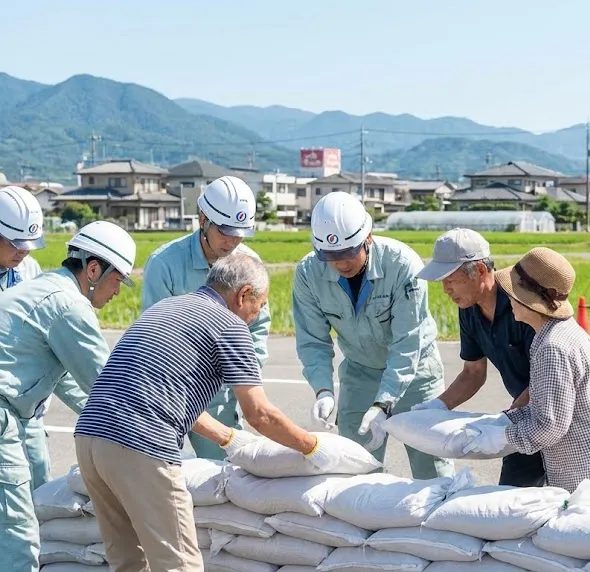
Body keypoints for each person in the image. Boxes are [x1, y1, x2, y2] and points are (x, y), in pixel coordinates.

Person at [75, 253, 338, 572]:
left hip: (90, 438)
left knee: (128, 560)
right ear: (243, 295)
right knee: (179, 563)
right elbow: (260, 414)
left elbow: (164, 394)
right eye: (260, 304)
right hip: (141, 444)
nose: (258, 314)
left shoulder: (167, 307)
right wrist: (312, 447)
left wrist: (228, 438)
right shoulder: (230, 325)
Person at [0, 220, 137, 572]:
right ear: (93, 269)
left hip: (12, 412)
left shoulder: (46, 289)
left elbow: (69, 384)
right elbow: (109, 386)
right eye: (117, 280)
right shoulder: (68, 306)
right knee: (18, 536)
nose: (117, 291)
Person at [293, 191, 453, 480]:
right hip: (359, 370)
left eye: (348, 252)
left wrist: (384, 403)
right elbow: (312, 339)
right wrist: (323, 389)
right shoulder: (307, 273)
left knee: (431, 464)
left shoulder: (403, 265)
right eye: (330, 256)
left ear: (368, 236)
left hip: (416, 372)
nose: (341, 263)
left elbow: (408, 342)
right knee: (354, 466)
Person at [460, 247, 590, 502]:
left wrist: (501, 436)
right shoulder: (555, 333)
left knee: (583, 541)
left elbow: (549, 427)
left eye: (512, 292)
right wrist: (506, 419)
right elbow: (548, 405)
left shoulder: (551, 348)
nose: (507, 299)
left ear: (529, 300)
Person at [142, 175, 271, 460]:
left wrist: (244, 373)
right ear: (203, 219)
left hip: (221, 387)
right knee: (161, 467)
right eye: (225, 231)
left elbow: (258, 325)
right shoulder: (165, 263)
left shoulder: (248, 263)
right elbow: (154, 333)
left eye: (240, 233)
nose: (232, 241)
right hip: (171, 386)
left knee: (223, 472)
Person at [413, 228, 544, 487]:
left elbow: (546, 378)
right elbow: (473, 372)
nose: (445, 289)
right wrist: (438, 406)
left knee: (577, 508)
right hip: (524, 417)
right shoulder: (469, 308)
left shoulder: (523, 303)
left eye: (450, 279)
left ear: (480, 272)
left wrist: (505, 420)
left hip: (558, 416)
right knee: (512, 500)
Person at [0, 185, 81, 490]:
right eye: (15, 243)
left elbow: (50, 351)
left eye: (28, 243)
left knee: (37, 487)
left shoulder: (29, 269)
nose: (23, 251)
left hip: (30, 411)